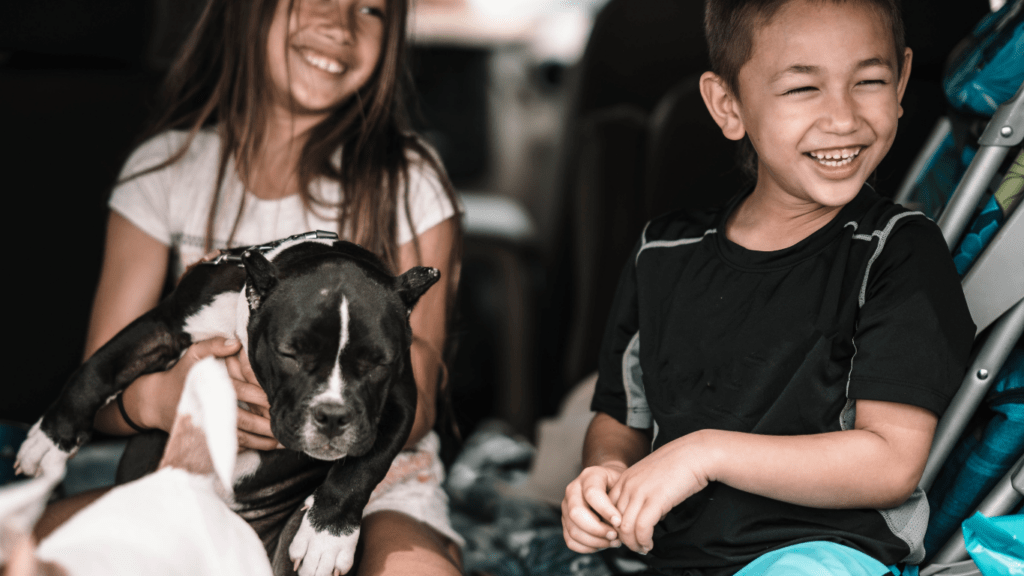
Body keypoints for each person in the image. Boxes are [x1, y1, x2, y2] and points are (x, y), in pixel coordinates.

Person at [35, 0, 464, 574]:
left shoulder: (410, 181)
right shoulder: (167, 171)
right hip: (195, 469)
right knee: (34, 548)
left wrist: (349, 482)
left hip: (367, 480)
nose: (338, 24)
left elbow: (423, 396)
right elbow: (100, 386)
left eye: (370, 9)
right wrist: (161, 399)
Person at [561, 1, 977, 575]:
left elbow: (890, 462)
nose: (842, 117)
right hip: (672, 559)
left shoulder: (899, 252)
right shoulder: (662, 254)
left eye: (870, 81)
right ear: (728, 106)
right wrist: (604, 474)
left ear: (903, 80)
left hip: (820, 556)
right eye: (802, 89)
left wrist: (706, 454)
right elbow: (620, 419)